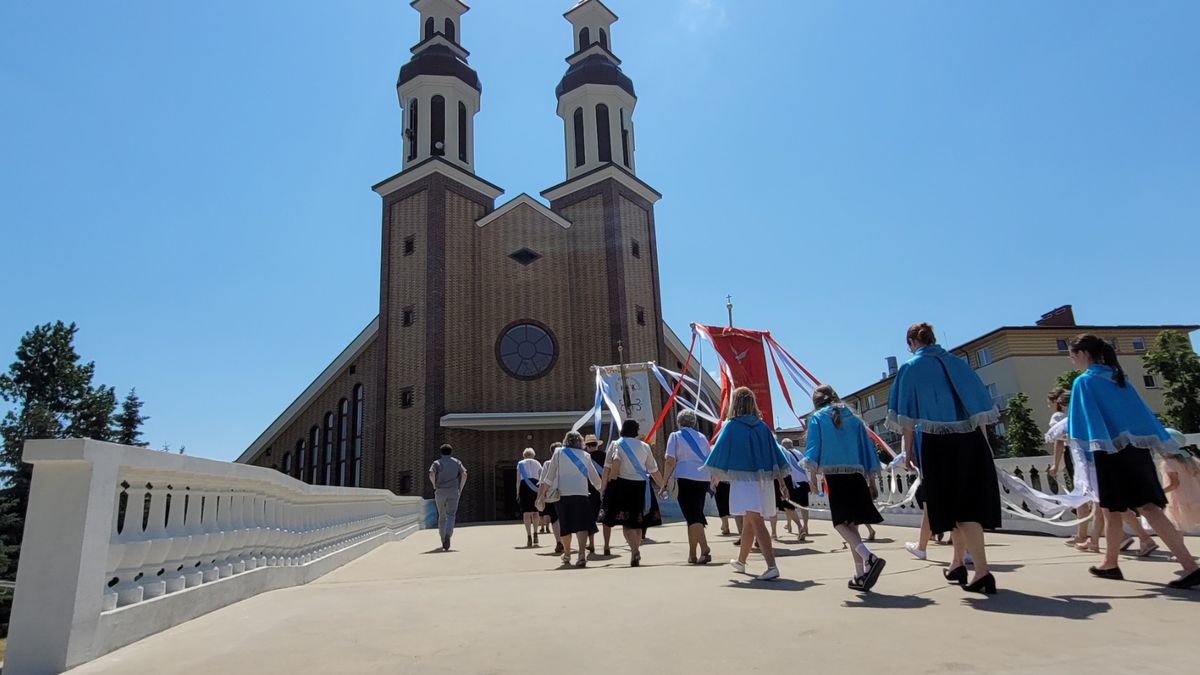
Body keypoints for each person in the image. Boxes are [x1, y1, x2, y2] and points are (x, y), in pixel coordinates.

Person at [1065, 334, 1200, 588]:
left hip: (1109, 452)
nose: (1073, 362)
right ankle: (1112, 563)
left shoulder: (1085, 382)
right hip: (1137, 449)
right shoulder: (1119, 378)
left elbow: (1082, 423)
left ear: (1083, 354)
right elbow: (1142, 415)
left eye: (1073, 356)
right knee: (1142, 507)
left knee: (1114, 509)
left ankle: (1187, 566)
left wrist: (1084, 454)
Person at [887, 322, 1000, 594]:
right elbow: (979, 408)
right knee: (956, 507)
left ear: (912, 342)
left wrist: (909, 451)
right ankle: (957, 563)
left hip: (938, 442)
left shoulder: (911, 367)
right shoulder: (957, 362)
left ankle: (983, 572)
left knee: (961, 509)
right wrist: (985, 445)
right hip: (971, 439)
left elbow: (907, 417)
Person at [702, 387, 791, 581]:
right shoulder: (762, 427)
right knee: (750, 520)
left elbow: (720, 452)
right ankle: (741, 561)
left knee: (755, 520)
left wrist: (715, 478)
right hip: (764, 480)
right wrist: (781, 483)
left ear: (735, 404)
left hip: (744, 480)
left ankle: (772, 566)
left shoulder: (731, 426)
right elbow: (776, 456)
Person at [804, 385, 887, 591]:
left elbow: (813, 448)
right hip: (856, 473)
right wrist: (871, 479)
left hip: (835, 475)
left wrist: (812, 478)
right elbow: (867, 448)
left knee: (840, 523)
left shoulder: (817, 418)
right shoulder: (853, 418)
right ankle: (860, 574)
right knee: (852, 525)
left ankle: (869, 557)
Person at [601, 420, 667, 567]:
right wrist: (663, 486)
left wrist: (603, 489)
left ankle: (634, 550)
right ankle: (635, 550)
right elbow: (653, 470)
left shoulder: (615, 444)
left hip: (622, 486)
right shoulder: (644, 446)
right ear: (636, 431)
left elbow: (606, 470)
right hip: (641, 487)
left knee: (627, 523)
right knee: (637, 522)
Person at [536, 431, 603, 567]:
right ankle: (582, 555)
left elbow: (549, 477)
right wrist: (602, 492)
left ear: (565, 441)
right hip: (582, 494)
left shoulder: (558, 453)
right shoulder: (585, 455)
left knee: (565, 526)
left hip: (563, 495)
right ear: (581, 442)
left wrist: (542, 495)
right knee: (582, 526)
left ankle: (567, 554)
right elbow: (594, 478)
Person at [663, 409, 714, 564]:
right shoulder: (702, 437)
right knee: (694, 515)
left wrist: (664, 481)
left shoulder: (675, 436)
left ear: (679, 422)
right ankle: (692, 554)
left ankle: (704, 548)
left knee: (692, 515)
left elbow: (670, 460)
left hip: (685, 477)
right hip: (703, 478)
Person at [429, 444, 467, 551]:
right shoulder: (457, 462)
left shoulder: (437, 463)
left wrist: (434, 485)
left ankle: (443, 539)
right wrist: (460, 488)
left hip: (440, 491)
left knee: (442, 515)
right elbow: (464, 474)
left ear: (441, 452)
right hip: (453, 491)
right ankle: (448, 534)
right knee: (451, 514)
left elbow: (431, 474)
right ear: (451, 452)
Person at [778, 438, 809, 542]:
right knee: (804, 506)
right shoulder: (799, 453)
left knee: (789, 505)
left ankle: (791, 525)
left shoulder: (785, 453)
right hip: (804, 481)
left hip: (793, 482)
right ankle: (805, 526)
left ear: (784, 445)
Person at [516, 448, 543, 547]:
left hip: (524, 486)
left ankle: (529, 536)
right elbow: (541, 478)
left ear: (524, 455)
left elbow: (518, 480)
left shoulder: (520, 463)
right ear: (533, 455)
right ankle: (535, 533)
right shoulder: (537, 463)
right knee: (536, 512)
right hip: (535, 486)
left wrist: (517, 492)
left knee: (526, 513)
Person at [583, 434, 605, 554]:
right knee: (606, 518)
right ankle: (607, 544)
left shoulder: (583, 457)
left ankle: (591, 543)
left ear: (586, 446)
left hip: (588, 489)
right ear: (597, 445)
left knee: (589, 518)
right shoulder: (604, 456)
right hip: (604, 488)